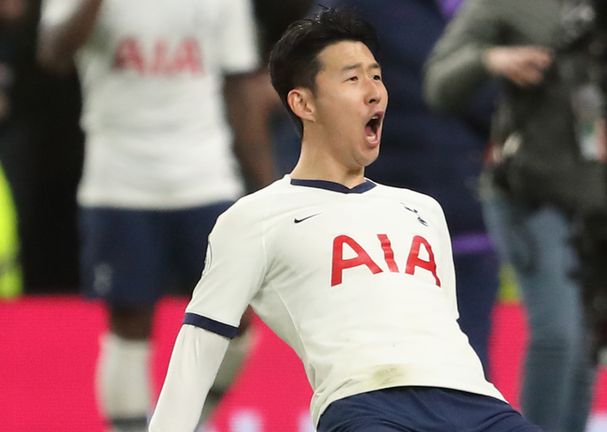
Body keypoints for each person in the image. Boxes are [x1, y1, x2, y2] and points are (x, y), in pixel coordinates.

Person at [148, 8, 541, 432]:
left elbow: (442, 329)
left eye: (377, 76)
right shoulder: (254, 218)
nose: (374, 92)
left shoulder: (423, 210)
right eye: (353, 79)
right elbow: (198, 347)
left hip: (478, 403)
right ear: (303, 102)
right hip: (366, 407)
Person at [36, 0, 273, 430]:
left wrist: (268, 185)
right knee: (129, 323)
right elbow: (52, 52)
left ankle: (190, 422)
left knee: (237, 319)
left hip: (206, 176)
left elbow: (239, 83)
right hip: (120, 181)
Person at [423, 1, 607, 430]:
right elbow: (438, 82)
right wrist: (491, 58)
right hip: (529, 191)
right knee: (558, 335)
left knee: (584, 342)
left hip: (600, 197)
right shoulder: (507, 3)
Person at [321, 0, 500, 370]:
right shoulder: (360, 9)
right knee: (387, 369)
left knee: (466, 366)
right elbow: (308, 74)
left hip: (467, 219)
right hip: (383, 229)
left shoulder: (485, 9)